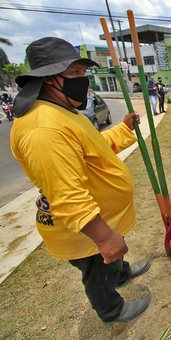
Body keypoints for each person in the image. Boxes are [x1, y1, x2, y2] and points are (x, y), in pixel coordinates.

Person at [10, 37, 150, 324]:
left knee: (112, 261)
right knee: (98, 268)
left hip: (102, 213)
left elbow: (92, 147)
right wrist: (104, 237)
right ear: (49, 80)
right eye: (74, 74)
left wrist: (123, 130)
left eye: (83, 73)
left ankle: (121, 274)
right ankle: (111, 310)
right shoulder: (43, 129)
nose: (83, 81)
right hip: (85, 228)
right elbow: (66, 195)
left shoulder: (60, 112)